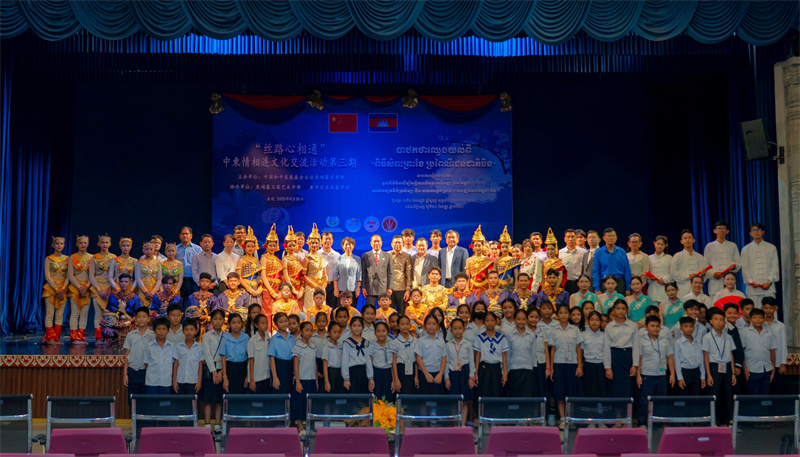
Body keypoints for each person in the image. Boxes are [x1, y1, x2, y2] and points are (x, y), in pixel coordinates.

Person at [549, 304, 584, 429]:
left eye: (565, 312)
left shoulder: (575, 330)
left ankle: (570, 418)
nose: (563, 315)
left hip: (572, 364)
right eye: (561, 313)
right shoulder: (554, 330)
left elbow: (578, 349)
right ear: (557, 315)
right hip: (559, 364)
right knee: (560, 393)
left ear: (569, 315)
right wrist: (551, 368)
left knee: (571, 393)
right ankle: (563, 418)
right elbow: (553, 350)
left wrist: (579, 366)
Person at [636, 315, 675, 426]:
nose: (655, 328)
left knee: (661, 400)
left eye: (657, 326)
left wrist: (672, 374)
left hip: (662, 375)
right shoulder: (641, 341)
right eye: (652, 326)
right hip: (647, 374)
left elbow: (670, 358)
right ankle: (642, 423)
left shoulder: (665, 341)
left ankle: (659, 423)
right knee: (645, 401)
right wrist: (638, 375)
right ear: (646, 327)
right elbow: (639, 359)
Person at [703, 308, 737, 425]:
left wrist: (733, 373)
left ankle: (730, 419)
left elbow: (731, 355)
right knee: (714, 394)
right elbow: (706, 356)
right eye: (716, 319)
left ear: (725, 322)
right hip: (714, 367)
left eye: (722, 320)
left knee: (728, 393)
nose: (719, 322)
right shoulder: (707, 337)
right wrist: (708, 374)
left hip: (727, 367)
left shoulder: (728, 337)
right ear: (711, 321)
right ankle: (713, 419)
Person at [603, 299, 639, 399]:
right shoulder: (609, 327)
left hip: (628, 357)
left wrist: (635, 365)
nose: (620, 311)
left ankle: (628, 409)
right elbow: (606, 348)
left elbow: (636, 346)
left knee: (628, 387)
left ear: (627, 310)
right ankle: (616, 409)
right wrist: (607, 367)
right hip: (614, 357)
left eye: (623, 309)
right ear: (614, 310)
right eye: (618, 308)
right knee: (615, 387)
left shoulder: (633, 325)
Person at [740, 223, 780, 307]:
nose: (756, 232)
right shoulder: (745, 249)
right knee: (755, 311)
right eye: (754, 230)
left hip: (768, 288)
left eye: (759, 230)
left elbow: (774, 267)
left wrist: (769, 282)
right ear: (750, 233)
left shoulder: (771, 247)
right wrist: (751, 282)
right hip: (753, 288)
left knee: (770, 310)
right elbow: (745, 269)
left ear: (763, 232)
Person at [444, 318, 474, 424]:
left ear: (464, 329)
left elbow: (471, 361)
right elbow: (446, 362)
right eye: (455, 329)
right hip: (453, 373)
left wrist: (471, 377)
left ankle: (463, 424)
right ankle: (455, 423)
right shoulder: (448, 345)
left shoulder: (468, 344)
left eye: (460, 328)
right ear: (451, 330)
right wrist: (446, 378)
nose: (457, 331)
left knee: (464, 401)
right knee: (454, 400)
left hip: (465, 373)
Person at [739, 308, 776, 395]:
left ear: (764, 319)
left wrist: (773, 369)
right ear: (750, 319)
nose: (757, 320)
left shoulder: (769, 333)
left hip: (767, 369)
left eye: (760, 317)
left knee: (765, 395)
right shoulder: (744, 332)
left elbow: (772, 351)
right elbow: (741, 351)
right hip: (751, 369)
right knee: (753, 395)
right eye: (755, 318)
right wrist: (745, 368)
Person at [474, 312, 508, 401]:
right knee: (483, 392)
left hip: (496, 369)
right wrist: (476, 372)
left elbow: (504, 356)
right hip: (484, 368)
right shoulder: (480, 337)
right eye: (487, 321)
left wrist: (505, 372)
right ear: (484, 322)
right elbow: (478, 355)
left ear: (496, 322)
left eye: (492, 320)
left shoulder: (501, 338)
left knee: (496, 393)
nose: (490, 323)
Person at [201, 309, 225, 432]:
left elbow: (226, 355)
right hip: (211, 368)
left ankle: (217, 425)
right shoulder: (207, 336)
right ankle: (207, 424)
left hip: (222, 369)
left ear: (224, 320)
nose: (218, 321)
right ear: (211, 321)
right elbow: (207, 354)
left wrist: (221, 372)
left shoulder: (226, 336)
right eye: (215, 319)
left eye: (220, 319)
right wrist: (214, 372)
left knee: (219, 399)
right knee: (208, 399)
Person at [123, 307, 155, 401]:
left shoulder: (153, 336)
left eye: (144, 317)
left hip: (146, 372)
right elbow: (127, 355)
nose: (141, 319)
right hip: (133, 371)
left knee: (145, 400)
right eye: (139, 317)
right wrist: (125, 374)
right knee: (132, 399)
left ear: (148, 319)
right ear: (135, 319)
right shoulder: (130, 335)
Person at [89, 235, 116, 343]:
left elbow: (115, 275)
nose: (105, 244)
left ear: (110, 244)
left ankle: (108, 336)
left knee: (109, 313)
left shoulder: (114, 258)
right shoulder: (94, 258)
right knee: (98, 314)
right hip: (97, 288)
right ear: (98, 244)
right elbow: (91, 276)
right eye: (102, 242)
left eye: (107, 242)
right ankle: (98, 337)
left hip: (110, 288)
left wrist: (110, 288)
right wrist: (99, 290)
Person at [42, 236, 69, 344]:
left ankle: (56, 338)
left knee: (59, 315)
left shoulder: (67, 259)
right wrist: (56, 288)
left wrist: (63, 288)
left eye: (61, 244)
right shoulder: (48, 259)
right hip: (50, 289)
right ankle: (50, 338)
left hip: (62, 290)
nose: (59, 245)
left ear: (64, 245)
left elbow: (69, 276)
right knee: (50, 314)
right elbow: (47, 276)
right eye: (57, 243)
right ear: (53, 245)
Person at [703, 220, 741, 296]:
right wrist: (713, 274)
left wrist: (734, 267)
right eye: (719, 228)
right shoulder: (709, 246)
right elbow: (705, 265)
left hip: (729, 281)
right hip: (714, 282)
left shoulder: (732, 245)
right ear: (714, 231)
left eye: (723, 228)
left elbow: (738, 263)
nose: (721, 230)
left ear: (727, 231)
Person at [67, 235, 93, 343]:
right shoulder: (72, 257)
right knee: (75, 313)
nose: (83, 245)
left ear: (88, 244)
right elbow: (70, 275)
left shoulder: (92, 258)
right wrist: (79, 287)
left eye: (85, 243)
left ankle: (81, 336)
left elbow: (92, 275)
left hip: (87, 289)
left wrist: (86, 286)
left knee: (84, 314)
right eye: (81, 243)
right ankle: (74, 337)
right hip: (75, 288)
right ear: (77, 244)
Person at [292, 322, 317, 431]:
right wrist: (297, 381)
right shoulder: (297, 347)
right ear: (301, 332)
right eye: (306, 330)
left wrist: (316, 380)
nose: (309, 333)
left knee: (309, 403)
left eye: (311, 330)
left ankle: (308, 424)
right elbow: (296, 365)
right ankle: (299, 424)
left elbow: (314, 364)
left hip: (311, 379)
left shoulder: (313, 347)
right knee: (300, 402)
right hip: (302, 379)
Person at [592, 228, 632, 295]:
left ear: (616, 238)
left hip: (619, 283)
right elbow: (595, 271)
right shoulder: (598, 252)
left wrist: (628, 288)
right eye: (609, 236)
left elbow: (627, 270)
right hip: (604, 283)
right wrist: (597, 288)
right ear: (604, 238)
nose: (611, 238)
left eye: (613, 236)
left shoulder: (621, 252)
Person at [507, 309, 537, 397]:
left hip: (527, 369)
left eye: (523, 319)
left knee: (527, 396)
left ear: (527, 320)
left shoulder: (531, 335)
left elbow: (533, 352)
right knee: (515, 395)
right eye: (518, 319)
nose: (521, 322)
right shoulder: (509, 335)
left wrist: (532, 367)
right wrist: (506, 370)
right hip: (514, 369)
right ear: (514, 320)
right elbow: (508, 354)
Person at [673, 316, 706, 395]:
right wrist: (680, 378)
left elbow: (701, 360)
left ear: (694, 328)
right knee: (684, 395)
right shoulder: (678, 343)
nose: (688, 329)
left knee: (696, 396)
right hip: (684, 372)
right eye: (686, 326)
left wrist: (702, 376)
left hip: (696, 372)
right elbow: (677, 361)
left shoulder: (697, 342)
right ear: (681, 328)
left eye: (691, 326)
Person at [671, 229, 709, 297]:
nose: (687, 240)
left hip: (697, 289)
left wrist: (703, 274)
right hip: (683, 289)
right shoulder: (677, 256)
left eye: (689, 238)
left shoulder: (700, 257)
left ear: (693, 240)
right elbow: (673, 273)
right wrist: (688, 276)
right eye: (685, 238)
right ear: (681, 241)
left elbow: (704, 276)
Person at [341, 316, 374, 394]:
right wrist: (346, 378)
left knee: (363, 397)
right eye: (354, 326)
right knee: (353, 397)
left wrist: (370, 377)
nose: (357, 328)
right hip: (352, 372)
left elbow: (368, 360)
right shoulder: (347, 342)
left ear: (363, 327)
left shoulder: (365, 342)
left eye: (359, 326)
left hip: (363, 372)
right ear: (350, 327)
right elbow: (345, 360)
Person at [761, 297, 787, 394]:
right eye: (766, 308)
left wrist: (783, 363)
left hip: (777, 363)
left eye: (771, 308)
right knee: (764, 389)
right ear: (762, 308)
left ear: (776, 308)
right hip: (763, 362)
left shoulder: (780, 326)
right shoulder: (759, 324)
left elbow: (783, 344)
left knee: (776, 389)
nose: (768, 310)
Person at [172, 319, 204, 395]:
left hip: (193, 381)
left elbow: (200, 365)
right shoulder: (178, 346)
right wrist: (174, 381)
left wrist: (199, 381)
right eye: (186, 330)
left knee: (192, 401)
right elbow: (176, 364)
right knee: (180, 401)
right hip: (180, 380)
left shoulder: (199, 347)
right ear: (183, 331)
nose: (189, 332)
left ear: (196, 331)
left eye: (191, 330)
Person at [143, 317, 175, 394]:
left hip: (166, 381)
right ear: (154, 331)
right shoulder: (149, 346)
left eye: (164, 329)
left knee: (165, 401)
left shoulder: (172, 346)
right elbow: (146, 363)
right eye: (158, 329)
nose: (161, 331)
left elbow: (174, 363)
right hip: (152, 381)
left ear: (168, 331)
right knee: (152, 401)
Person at [361, 234, 394, 307]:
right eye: (374, 241)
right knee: (370, 309)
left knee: (383, 309)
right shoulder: (365, 255)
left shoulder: (387, 256)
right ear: (371, 243)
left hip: (383, 287)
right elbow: (363, 273)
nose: (376, 243)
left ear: (381, 243)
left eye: (378, 241)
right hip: (370, 287)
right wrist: (363, 287)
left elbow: (390, 273)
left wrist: (390, 287)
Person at [269, 312, 296, 395]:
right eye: (281, 322)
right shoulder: (274, 339)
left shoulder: (292, 338)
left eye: (285, 321)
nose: (284, 324)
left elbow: (295, 357)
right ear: (276, 324)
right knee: (280, 393)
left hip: (291, 367)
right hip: (279, 368)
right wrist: (275, 377)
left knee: (290, 393)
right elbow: (272, 359)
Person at [237, 227, 263, 308]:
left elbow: (259, 276)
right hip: (245, 288)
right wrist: (249, 289)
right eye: (248, 246)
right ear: (245, 248)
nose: (250, 248)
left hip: (255, 288)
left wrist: (259, 289)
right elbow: (239, 277)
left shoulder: (257, 260)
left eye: (252, 246)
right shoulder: (241, 260)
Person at [581, 311, 606, 397]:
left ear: (600, 322)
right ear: (588, 322)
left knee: (601, 388)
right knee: (588, 388)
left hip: (601, 365)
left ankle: (600, 405)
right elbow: (581, 351)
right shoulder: (583, 335)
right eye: (592, 320)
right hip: (588, 365)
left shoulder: (604, 335)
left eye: (597, 320)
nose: (594, 322)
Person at [527, 307, 550, 397]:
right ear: (527, 317)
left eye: (536, 317)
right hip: (528, 364)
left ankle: (541, 406)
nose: (534, 319)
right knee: (530, 389)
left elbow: (546, 350)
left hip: (541, 363)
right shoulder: (524, 330)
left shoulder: (542, 330)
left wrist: (548, 368)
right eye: (531, 317)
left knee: (541, 389)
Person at [391, 315, 417, 395]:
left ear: (410, 325)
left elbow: (417, 360)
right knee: (401, 395)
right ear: (398, 326)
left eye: (407, 324)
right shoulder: (394, 342)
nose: (405, 326)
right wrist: (396, 379)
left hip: (412, 370)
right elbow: (393, 361)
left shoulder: (415, 341)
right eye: (402, 324)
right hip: (400, 370)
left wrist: (416, 376)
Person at [466, 226, 494, 297]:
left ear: (483, 246)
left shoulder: (487, 260)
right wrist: (467, 288)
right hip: (472, 286)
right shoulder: (469, 260)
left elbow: (490, 276)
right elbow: (467, 276)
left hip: (484, 286)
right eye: (475, 246)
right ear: (472, 247)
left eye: (479, 245)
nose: (477, 248)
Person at [369, 322, 394, 401]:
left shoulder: (391, 345)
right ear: (375, 333)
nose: (381, 333)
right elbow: (369, 364)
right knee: (377, 396)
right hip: (377, 373)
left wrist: (394, 379)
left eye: (383, 331)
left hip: (388, 373)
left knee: (388, 396)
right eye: (378, 331)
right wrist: (370, 379)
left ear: (387, 332)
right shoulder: (372, 346)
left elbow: (393, 364)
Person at [176, 227, 203, 299]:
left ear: (191, 236)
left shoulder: (198, 249)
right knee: (179, 302)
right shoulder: (175, 249)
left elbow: (201, 265)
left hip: (193, 281)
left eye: (186, 234)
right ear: (180, 236)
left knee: (193, 301)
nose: (185, 236)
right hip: (179, 281)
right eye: (183, 234)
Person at [247, 314, 271, 393]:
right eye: (263, 323)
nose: (265, 325)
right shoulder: (253, 341)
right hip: (257, 377)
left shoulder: (268, 339)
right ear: (256, 325)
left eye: (266, 323)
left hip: (267, 376)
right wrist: (251, 379)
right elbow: (251, 360)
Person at [389, 235, 413, 314]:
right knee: (389, 313)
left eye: (399, 243)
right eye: (395, 243)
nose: (397, 244)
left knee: (402, 313)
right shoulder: (387, 255)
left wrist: (408, 290)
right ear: (391, 244)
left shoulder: (406, 256)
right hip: (389, 289)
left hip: (402, 289)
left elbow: (408, 274)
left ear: (402, 244)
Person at [333, 237, 361, 303]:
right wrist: (335, 288)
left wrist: (358, 287)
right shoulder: (338, 258)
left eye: (350, 244)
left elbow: (359, 274)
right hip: (341, 288)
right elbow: (335, 275)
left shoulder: (357, 259)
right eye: (346, 244)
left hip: (353, 288)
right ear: (343, 246)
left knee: (352, 307)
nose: (348, 246)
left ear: (353, 246)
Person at [136, 242, 163, 310]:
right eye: (146, 249)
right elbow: (138, 278)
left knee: (154, 311)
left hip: (154, 289)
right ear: (143, 250)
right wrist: (146, 291)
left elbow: (159, 279)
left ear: (154, 250)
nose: (149, 251)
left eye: (151, 249)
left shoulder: (157, 263)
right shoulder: (139, 262)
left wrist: (153, 292)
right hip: (142, 290)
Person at [318, 231, 341, 309]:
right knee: (320, 307)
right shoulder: (317, 254)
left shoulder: (337, 255)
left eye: (330, 239)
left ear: (332, 241)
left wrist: (336, 287)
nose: (328, 241)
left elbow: (338, 272)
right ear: (321, 241)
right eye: (326, 239)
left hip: (332, 285)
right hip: (320, 285)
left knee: (332, 307)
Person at [560, 229, 586, 295]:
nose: (570, 239)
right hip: (565, 283)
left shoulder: (583, 252)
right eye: (568, 237)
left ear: (575, 238)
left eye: (572, 237)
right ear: (564, 239)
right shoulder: (560, 253)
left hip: (578, 282)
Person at [647, 235, 672, 303]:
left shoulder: (669, 258)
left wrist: (664, 279)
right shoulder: (649, 258)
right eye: (658, 244)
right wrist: (650, 278)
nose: (659, 246)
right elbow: (646, 272)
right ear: (654, 243)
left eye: (662, 244)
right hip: (652, 289)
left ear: (666, 245)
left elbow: (673, 274)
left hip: (665, 289)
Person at [323, 321, 344, 393]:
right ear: (329, 333)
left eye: (339, 332)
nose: (337, 334)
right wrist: (326, 382)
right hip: (331, 374)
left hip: (340, 373)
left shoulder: (341, 346)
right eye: (334, 332)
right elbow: (325, 365)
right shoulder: (327, 347)